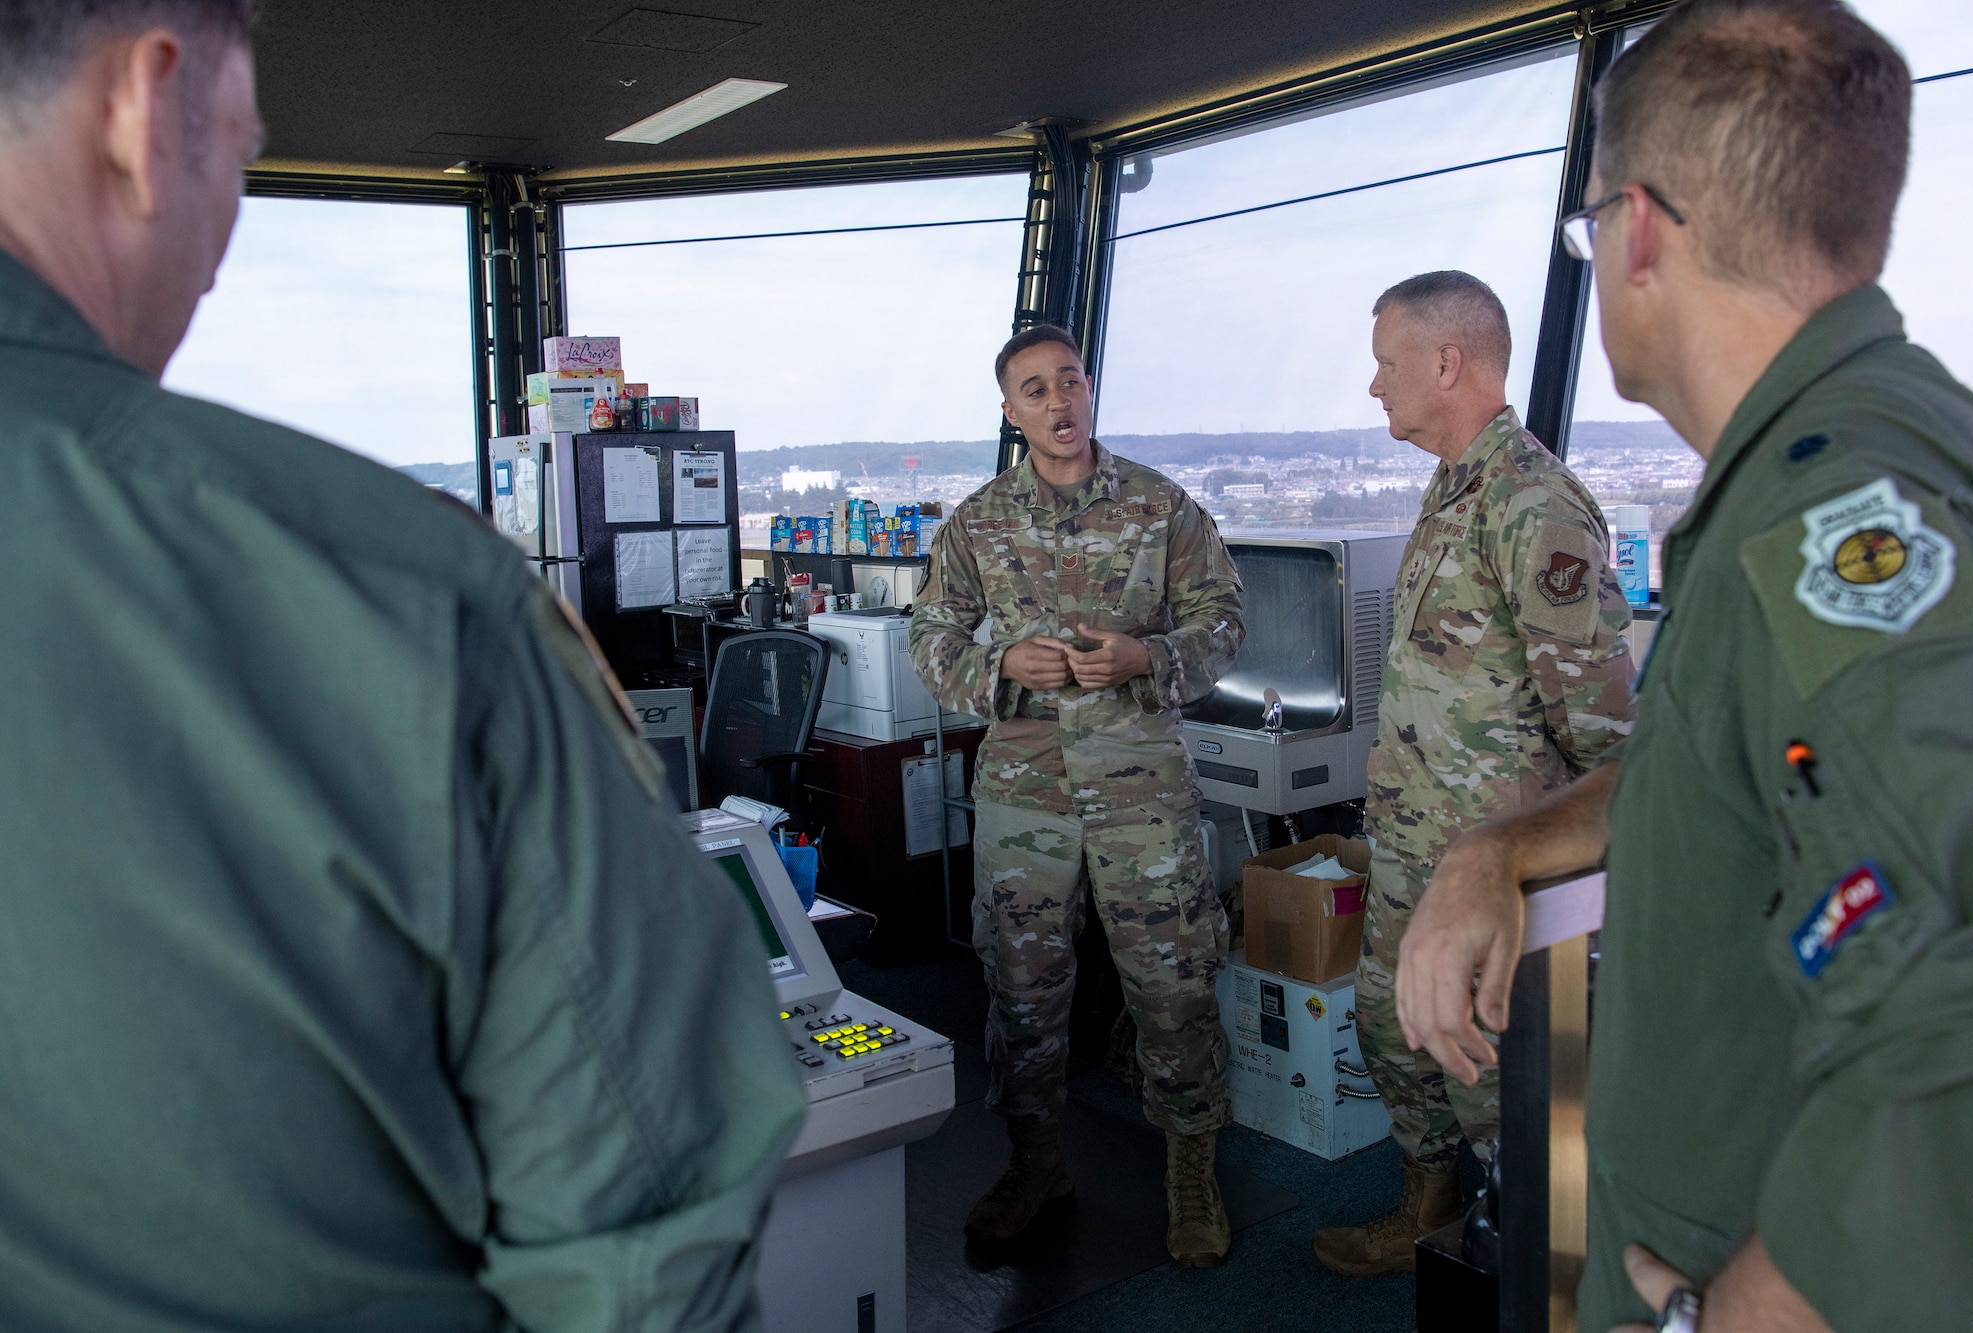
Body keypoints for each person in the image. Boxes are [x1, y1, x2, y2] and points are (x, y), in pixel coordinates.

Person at [0, 5, 804, 1329]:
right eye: (245, 154)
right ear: (144, 113)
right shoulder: (398, 594)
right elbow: (639, 1247)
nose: (219, 249)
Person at [1392, 3, 1973, 1330]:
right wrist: (1492, 851)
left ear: (1644, 227)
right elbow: (1738, 762)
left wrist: (1737, 1315)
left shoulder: (1837, 519)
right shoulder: (1840, 469)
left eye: (1590, 228)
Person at [1312, 273, 1637, 1278]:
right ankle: (1431, 1209)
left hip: (1497, 872)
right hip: (1418, 852)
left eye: (1384, 360)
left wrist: (1561, 881)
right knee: (1387, 1026)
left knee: (1495, 1084)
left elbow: (1605, 736)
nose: (1373, 386)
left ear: (1445, 362)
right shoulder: (1455, 483)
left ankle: (1529, 1260)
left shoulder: (1532, 503)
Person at [908, 324, 1244, 1267]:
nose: (1059, 403)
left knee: (1173, 981)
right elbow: (930, 636)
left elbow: (1222, 619)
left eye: (1071, 381)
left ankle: (1191, 1168)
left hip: (1142, 785)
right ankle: (1037, 1160)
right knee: (1021, 986)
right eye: (1034, 390)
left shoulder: (1159, 505)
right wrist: (998, 666)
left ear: (1090, 389)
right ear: (1011, 412)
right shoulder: (976, 522)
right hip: (1025, 792)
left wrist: (1151, 657)